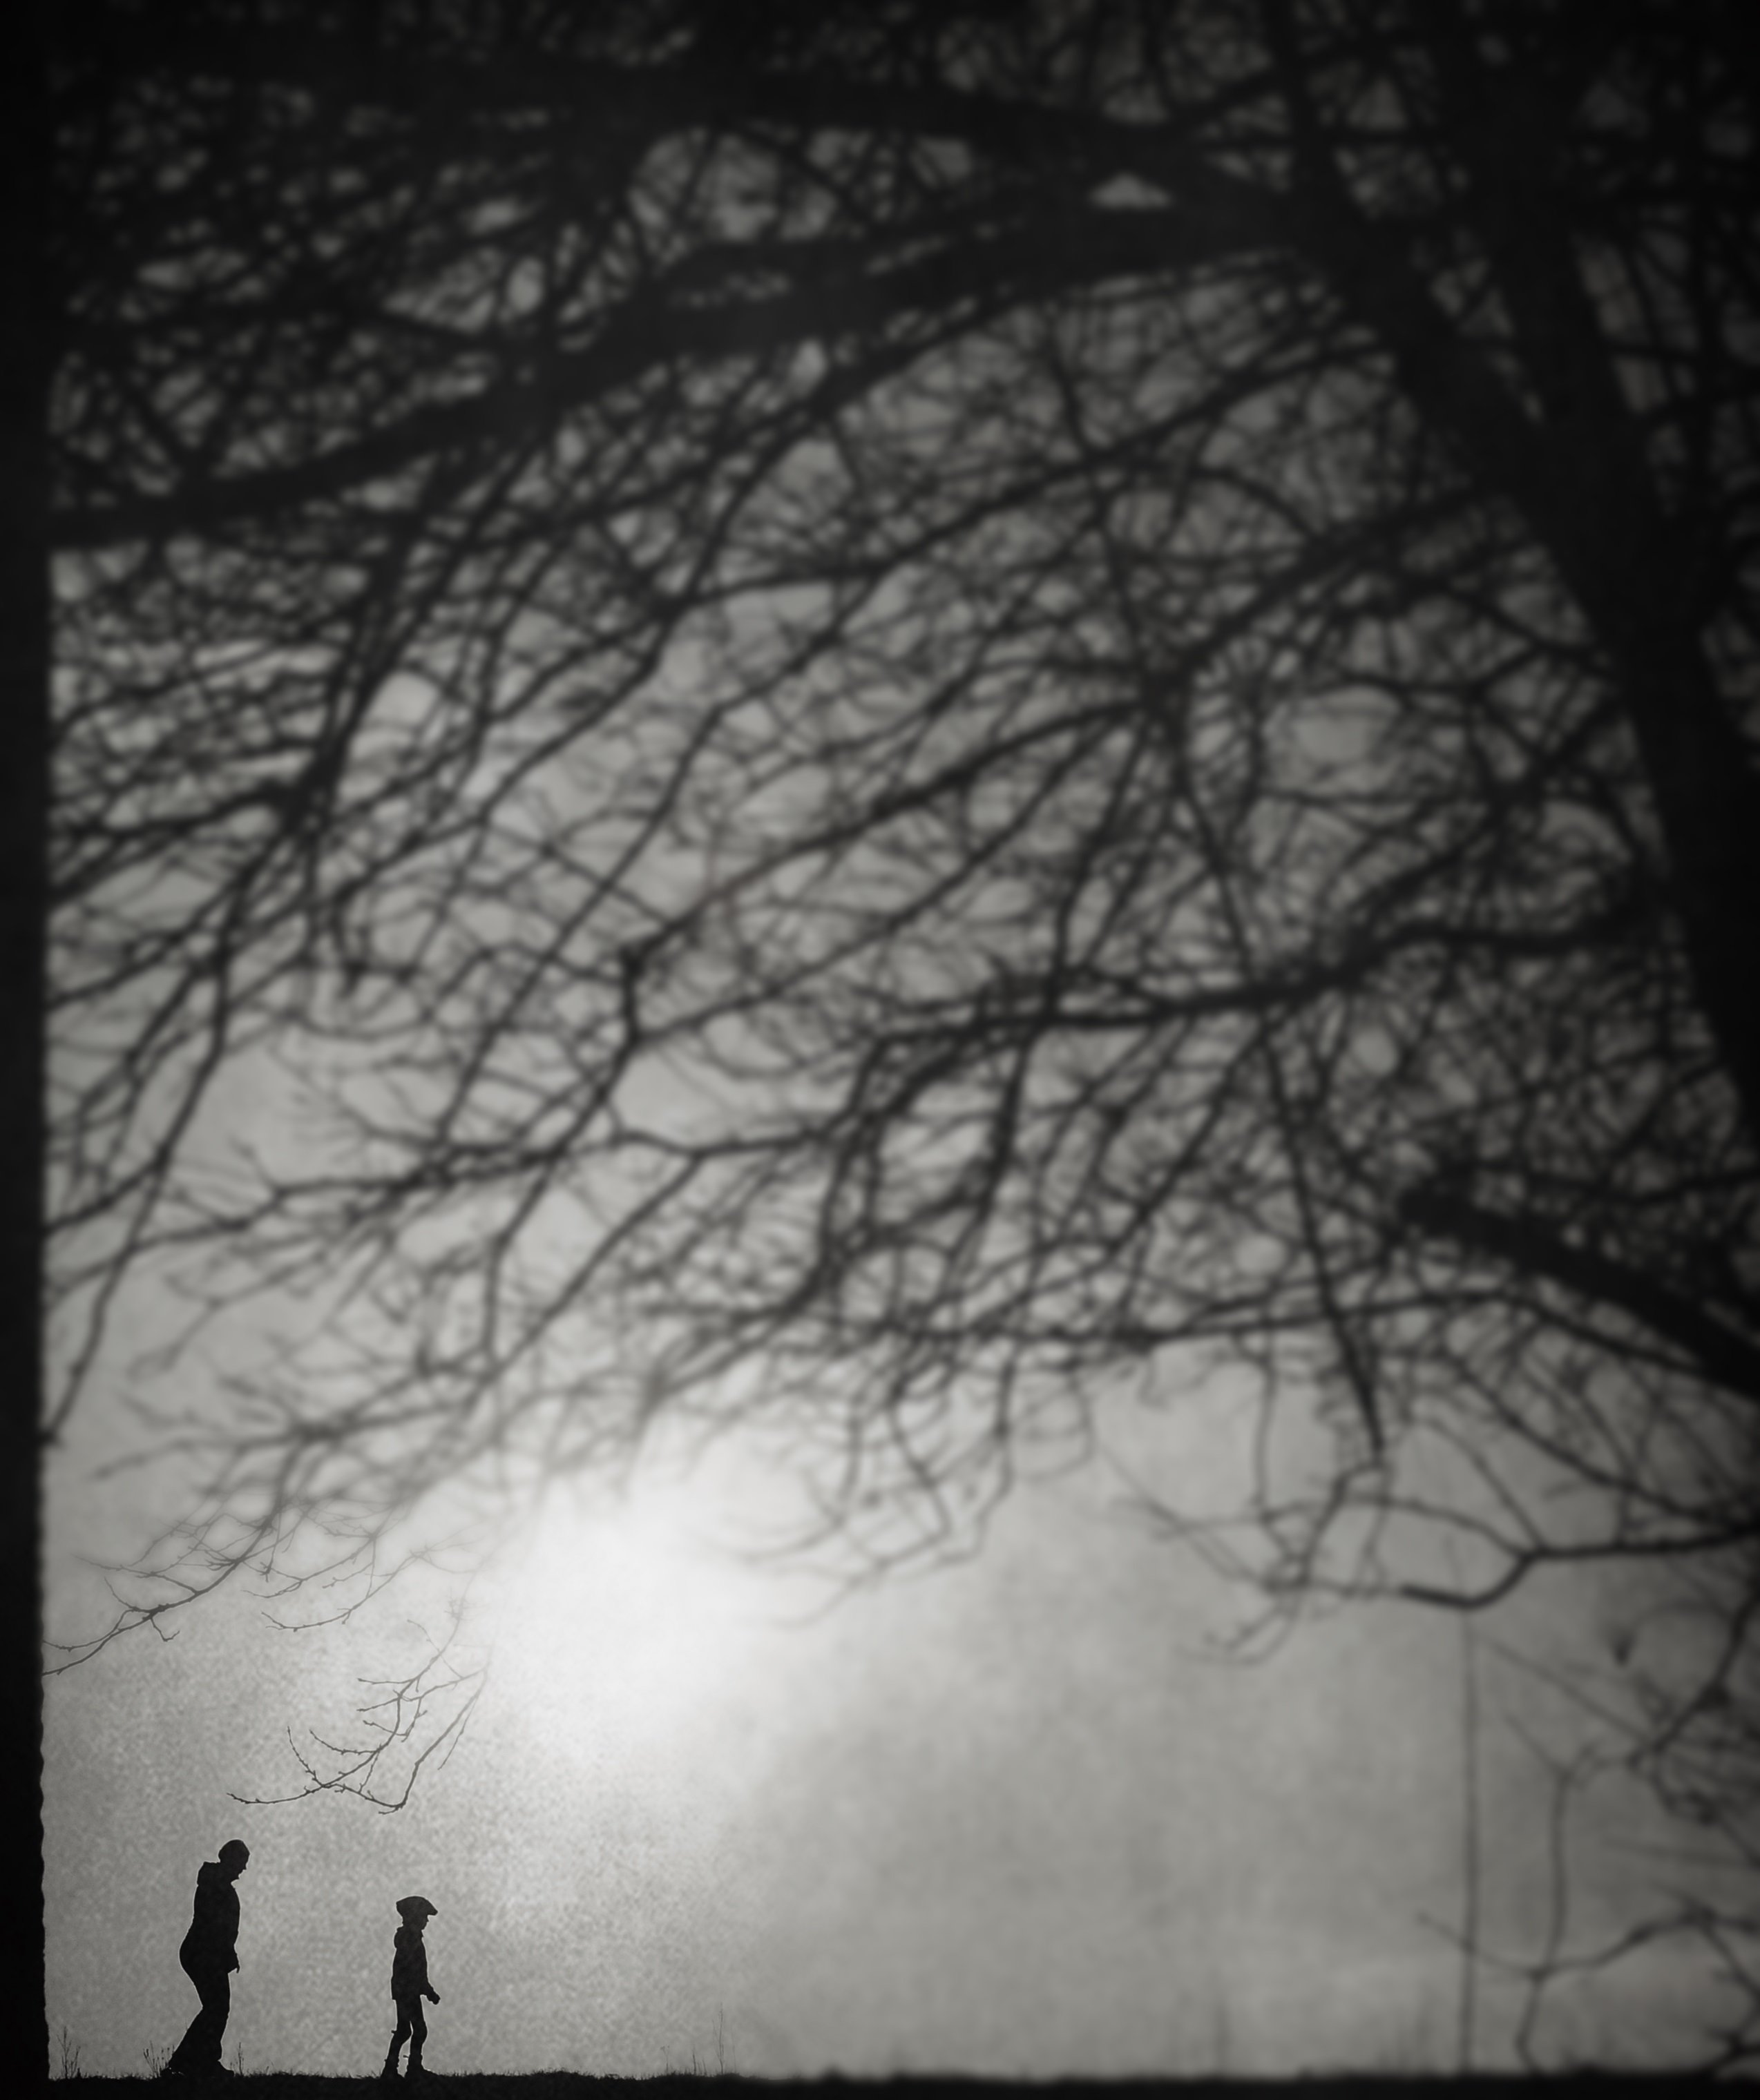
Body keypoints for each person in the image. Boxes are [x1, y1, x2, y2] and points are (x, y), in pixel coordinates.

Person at [162, 1838, 250, 2080]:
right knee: (217, 2007)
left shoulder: (218, 1884)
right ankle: (196, 2062)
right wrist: (225, 1953)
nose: (244, 1868)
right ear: (231, 1859)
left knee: (216, 2008)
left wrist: (229, 1953)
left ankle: (193, 2062)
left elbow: (222, 1927)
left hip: (208, 1954)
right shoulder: (215, 1884)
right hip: (202, 1953)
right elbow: (213, 1924)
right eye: (242, 1862)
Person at [381, 1896, 441, 2081]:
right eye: (424, 1917)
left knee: (405, 2030)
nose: (427, 1921)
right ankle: (411, 2068)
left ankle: (393, 2069)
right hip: (408, 1991)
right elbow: (415, 1970)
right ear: (415, 1917)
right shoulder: (411, 1940)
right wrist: (429, 1991)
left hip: (405, 1990)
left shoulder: (409, 1939)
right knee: (417, 2030)